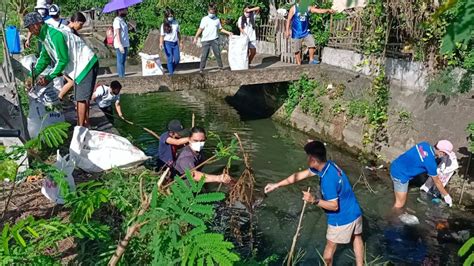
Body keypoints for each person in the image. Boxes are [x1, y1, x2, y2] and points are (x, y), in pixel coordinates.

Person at [264, 141, 363, 266]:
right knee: (357, 237)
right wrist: (276, 185)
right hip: (355, 211)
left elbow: (334, 206)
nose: (306, 158)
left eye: (308, 156)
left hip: (341, 218)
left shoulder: (327, 180)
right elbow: (300, 175)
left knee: (330, 248)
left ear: (313, 159)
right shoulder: (329, 165)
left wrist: (314, 200)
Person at [390, 140, 455, 209]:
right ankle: (391, 218)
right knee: (399, 204)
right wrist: (446, 195)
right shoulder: (431, 164)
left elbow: (421, 157)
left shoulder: (424, 144)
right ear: (441, 152)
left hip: (395, 165)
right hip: (400, 176)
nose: (445, 156)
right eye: (446, 154)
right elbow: (437, 182)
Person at [285, 0, 334, 65]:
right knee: (296, 49)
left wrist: (327, 10)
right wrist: (287, 31)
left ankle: (311, 60)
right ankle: (298, 63)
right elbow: (288, 20)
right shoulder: (293, 8)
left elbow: (318, 11)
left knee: (312, 44)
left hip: (305, 32)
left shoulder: (308, 8)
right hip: (296, 33)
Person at [193, 2, 233, 73]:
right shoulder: (204, 19)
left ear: (215, 11)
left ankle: (220, 68)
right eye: (210, 11)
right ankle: (201, 69)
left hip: (214, 39)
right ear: (208, 11)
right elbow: (200, 29)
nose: (211, 13)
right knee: (204, 55)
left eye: (213, 11)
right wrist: (196, 37)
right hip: (205, 40)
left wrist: (228, 32)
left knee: (217, 53)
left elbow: (220, 29)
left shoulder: (217, 20)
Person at [58, 12, 87, 101]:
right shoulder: (65, 31)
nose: (81, 27)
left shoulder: (70, 31)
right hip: (64, 60)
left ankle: (64, 99)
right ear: (75, 21)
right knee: (71, 82)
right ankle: (59, 98)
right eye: (81, 24)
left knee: (70, 82)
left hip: (70, 61)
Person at [160, 8, 181, 75]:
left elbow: (178, 33)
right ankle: (171, 74)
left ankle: (171, 69)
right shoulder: (163, 25)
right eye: (169, 16)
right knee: (170, 59)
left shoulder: (176, 23)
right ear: (166, 16)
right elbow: (162, 36)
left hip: (175, 43)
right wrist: (161, 43)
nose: (170, 17)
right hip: (167, 43)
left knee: (177, 59)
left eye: (171, 16)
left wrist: (181, 41)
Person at [113, 8, 130, 78]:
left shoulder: (122, 20)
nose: (126, 11)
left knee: (123, 61)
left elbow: (123, 31)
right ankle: (121, 77)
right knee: (120, 61)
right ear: (120, 11)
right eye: (125, 10)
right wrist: (120, 44)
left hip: (125, 43)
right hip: (120, 44)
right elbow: (117, 33)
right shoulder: (117, 20)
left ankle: (122, 75)